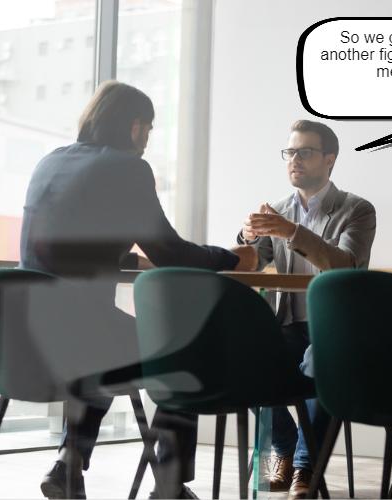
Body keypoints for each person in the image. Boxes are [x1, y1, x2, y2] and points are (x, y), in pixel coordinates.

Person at [20, 80, 257, 499]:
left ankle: (68, 466)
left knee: (111, 350)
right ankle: (168, 485)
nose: (148, 139)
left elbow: (64, 240)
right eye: (149, 128)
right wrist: (233, 258)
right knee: (186, 351)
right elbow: (173, 252)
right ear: (134, 127)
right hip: (82, 328)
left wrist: (128, 260)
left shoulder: (50, 162)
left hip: (26, 332)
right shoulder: (128, 168)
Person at [238, 120, 376, 499]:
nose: (294, 160)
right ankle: (283, 449)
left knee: (322, 358)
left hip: (337, 329)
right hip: (289, 325)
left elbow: (344, 264)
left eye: (304, 152)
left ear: (329, 159)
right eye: (289, 152)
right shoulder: (280, 210)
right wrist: (246, 236)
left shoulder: (356, 210)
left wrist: (290, 232)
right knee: (246, 356)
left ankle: (305, 465)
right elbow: (251, 260)